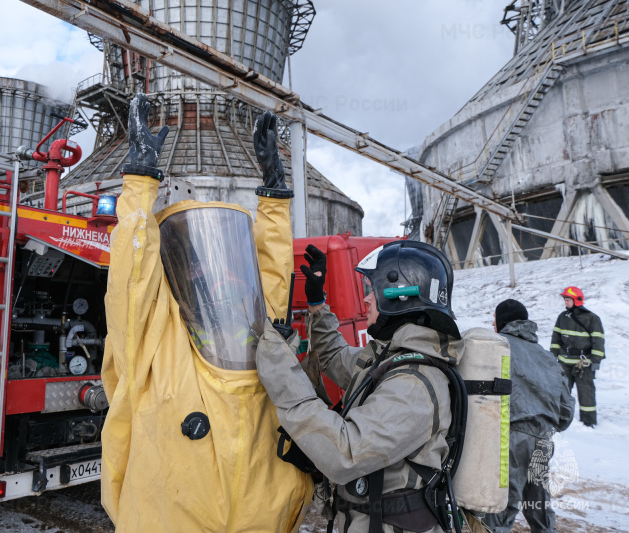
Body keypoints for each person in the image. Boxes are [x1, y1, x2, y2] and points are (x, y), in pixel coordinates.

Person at [99, 95, 311, 532]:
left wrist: (274, 198)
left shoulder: (256, 342)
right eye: (190, 262)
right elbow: (131, 284)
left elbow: (272, 282)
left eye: (212, 260)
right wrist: (140, 185)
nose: (207, 272)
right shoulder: (157, 348)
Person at [256, 240, 464, 533]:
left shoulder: (414, 384)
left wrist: (277, 362)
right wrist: (317, 304)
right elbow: (334, 358)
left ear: (398, 296)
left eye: (372, 291)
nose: (365, 300)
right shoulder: (391, 361)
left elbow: (345, 453)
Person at [483, 299, 575, 533]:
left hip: (510, 438)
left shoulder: (497, 347)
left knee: (500, 511)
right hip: (543, 441)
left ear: (500, 322)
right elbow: (566, 412)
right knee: (539, 508)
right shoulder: (547, 358)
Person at [550, 286, 604, 427]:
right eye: (565, 300)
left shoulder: (592, 319)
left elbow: (598, 341)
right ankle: (560, 419)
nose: (566, 302)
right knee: (562, 392)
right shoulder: (562, 317)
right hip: (564, 362)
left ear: (577, 300)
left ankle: (588, 422)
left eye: (568, 299)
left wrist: (595, 361)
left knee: (586, 393)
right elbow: (556, 339)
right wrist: (552, 357)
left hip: (584, 363)